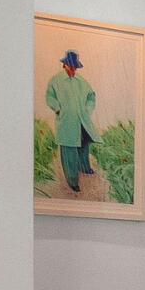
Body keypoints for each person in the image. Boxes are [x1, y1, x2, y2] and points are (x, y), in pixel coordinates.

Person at [45, 49, 100, 194]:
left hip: (82, 120)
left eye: (75, 66)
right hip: (67, 121)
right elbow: (50, 97)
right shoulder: (56, 80)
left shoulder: (81, 81)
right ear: (65, 65)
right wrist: (58, 109)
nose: (73, 69)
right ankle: (72, 181)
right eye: (71, 66)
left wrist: (88, 109)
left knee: (84, 144)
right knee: (69, 150)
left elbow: (91, 96)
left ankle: (84, 168)